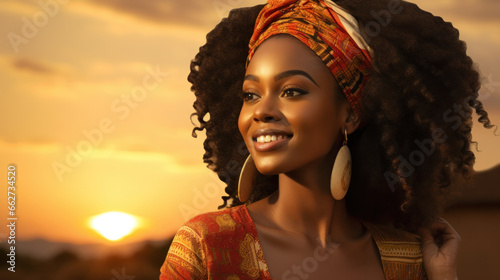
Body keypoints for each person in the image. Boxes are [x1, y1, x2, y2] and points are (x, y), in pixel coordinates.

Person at [160, 0, 494, 279]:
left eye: (291, 91)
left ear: (350, 114)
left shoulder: (407, 259)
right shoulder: (208, 247)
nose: (261, 111)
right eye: (250, 94)